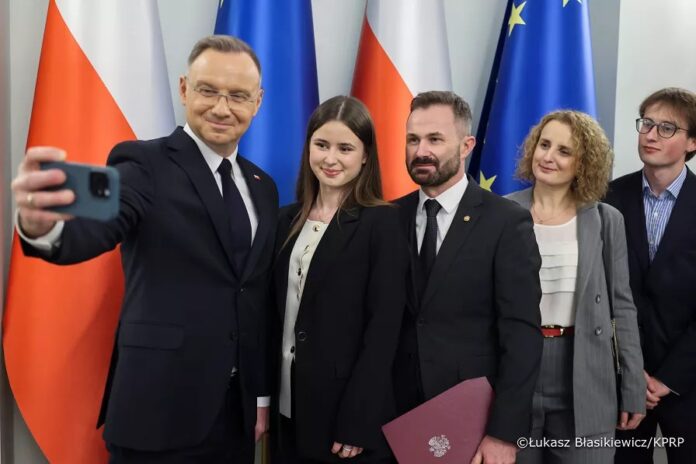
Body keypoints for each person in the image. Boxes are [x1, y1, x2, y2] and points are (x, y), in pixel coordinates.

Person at [11, 35, 277, 462]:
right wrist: (44, 229)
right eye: (208, 90)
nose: (223, 108)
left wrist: (260, 397)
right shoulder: (142, 164)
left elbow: (255, 298)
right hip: (157, 411)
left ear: (258, 101)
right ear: (185, 88)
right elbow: (101, 225)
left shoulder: (263, 187)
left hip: (234, 418)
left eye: (238, 96)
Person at [392, 90, 543, 464]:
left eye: (435, 139)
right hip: (391, 415)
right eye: (413, 139)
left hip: (469, 420)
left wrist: (504, 433)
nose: (420, 150)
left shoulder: (505, 222)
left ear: (466, 146)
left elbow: (521, 336)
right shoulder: (386, 217)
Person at [272, 95, 407, 463]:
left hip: (344, 416)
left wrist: (359, 418)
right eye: (321, 145)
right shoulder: (284, 220)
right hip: (286, 404)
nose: (330, 159)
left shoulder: (383, 224)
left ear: (365, 155)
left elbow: (383, 331)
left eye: (345, 148)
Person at [506, 110, 646, 463]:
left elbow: (622, 307)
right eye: (544, 144)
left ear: (584, 164)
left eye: (564, 151)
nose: (549, 157)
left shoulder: (605, 219)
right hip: (514, 369)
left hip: (585, 370)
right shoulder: (500, 212)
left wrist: (633, 387)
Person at [606, 87, 696, 464]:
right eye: (646, 124)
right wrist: (632, 372)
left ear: (692, 142)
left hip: (688, 383)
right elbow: (600, 295)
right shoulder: (607, 197)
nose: (651, 134)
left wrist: (667, 379)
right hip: (622, 379)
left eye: (667, 128)